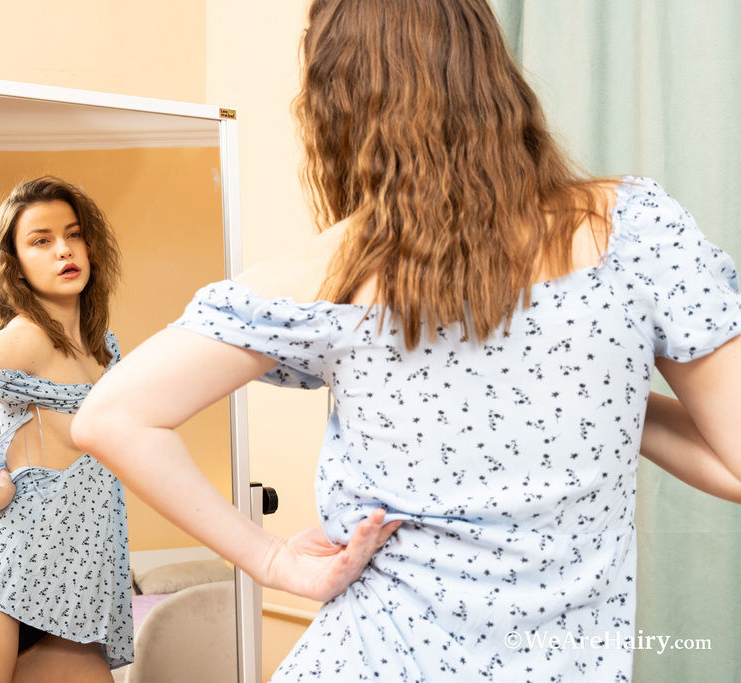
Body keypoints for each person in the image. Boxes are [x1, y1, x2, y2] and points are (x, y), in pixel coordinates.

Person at [72, 0, 741, 680]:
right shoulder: (632, 229)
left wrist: (272, 561)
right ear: (487, 68)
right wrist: (598, 392)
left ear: (337, 101)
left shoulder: (328, 272)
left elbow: (110, 415)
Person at [0, 176, 130, 683]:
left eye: (73, 234)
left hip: (77, 581)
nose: (64, 249)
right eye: (41, 240)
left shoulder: (104, 347)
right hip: (13, 569)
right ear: (15, 263)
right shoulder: (23, 339)